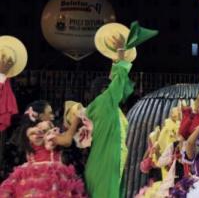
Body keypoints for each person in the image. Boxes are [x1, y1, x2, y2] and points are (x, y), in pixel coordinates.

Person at [0, 100, 87, 197]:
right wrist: (75, 122)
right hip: (48, 175)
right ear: (41, 116)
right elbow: (66, 141)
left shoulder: (30, 131)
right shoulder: (42, 130)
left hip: (32, 176)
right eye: (50, 113)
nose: (53, 116)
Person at [85, 37, 135, 198]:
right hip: (106, 162)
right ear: (104, 90)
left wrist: (115, 61)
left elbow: (117, 83)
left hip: (103, 161)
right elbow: (119, 81)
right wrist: (120, 53)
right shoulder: (105, 101)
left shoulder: (98, 106)